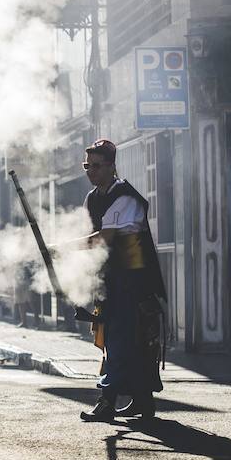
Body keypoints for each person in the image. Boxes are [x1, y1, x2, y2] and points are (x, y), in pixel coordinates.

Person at [79, 139, 166, 422]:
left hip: (133, 280)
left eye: (96, 166)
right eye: (87, 166)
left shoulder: (125, 197)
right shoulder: (93, 197)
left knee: (122, 340)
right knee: (123, 341)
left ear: (111, 166)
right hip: (110, 278)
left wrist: (64, 248)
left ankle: (107, 401)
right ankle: (142, 401)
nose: (90, 171)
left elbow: (105, 238)